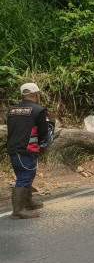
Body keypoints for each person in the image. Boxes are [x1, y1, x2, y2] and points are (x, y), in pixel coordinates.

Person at [6, 82, 50, 219]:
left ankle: (28, 202)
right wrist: (43, 143)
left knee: (27, 176)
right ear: (37, 95)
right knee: (24, 178)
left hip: (14, 148)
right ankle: (18, 211)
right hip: (27, 149)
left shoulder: (12, 110)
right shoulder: (39, 110)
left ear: (22, 95)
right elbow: (44, 132)